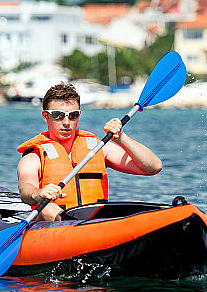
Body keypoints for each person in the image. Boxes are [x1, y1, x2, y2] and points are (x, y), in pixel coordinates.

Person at [17, 82, 162, 221]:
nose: (66, 122)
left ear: (79, 115)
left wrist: (122, 138)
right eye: (58, 115)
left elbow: (153, 167)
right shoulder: (33, 156)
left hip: (94, 222)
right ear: (45, 116)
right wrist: (39, 193)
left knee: (136, 204)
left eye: (73, 115)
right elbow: (25, 191)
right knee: (49, 209)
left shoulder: (98, 147)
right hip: (54, 227)